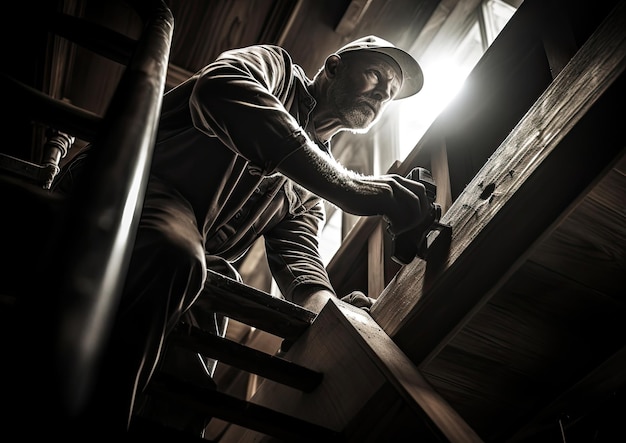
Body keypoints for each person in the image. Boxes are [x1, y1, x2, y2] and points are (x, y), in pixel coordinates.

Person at [64, 35, 430, 435]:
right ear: (334, 66)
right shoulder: (276, 69)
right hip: (128, 187)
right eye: (376, 75)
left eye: (390, 94)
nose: (381, 95)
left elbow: (303, 270)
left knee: (190, 385)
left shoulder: (311, 189)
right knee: (179, 254)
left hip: (193, 260)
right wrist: (352, 190)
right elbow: (221, 87)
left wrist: (338, 316)